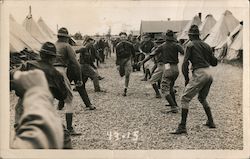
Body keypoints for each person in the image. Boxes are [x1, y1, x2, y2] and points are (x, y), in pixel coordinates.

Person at [171, 25, 218, 134]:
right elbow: (214, 63)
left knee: (185, 98)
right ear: (199, 35)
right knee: (202, 98)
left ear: (190, 35)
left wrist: (187, 78)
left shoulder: (190, 45)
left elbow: (185, 63)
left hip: (200, 72)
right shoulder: (206, 45)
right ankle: (211, 121)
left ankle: (182, 126)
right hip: (209, 72)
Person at [11, 69, 64, 149]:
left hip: (24, 99)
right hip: (33, 99)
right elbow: (39, 140)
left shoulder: (28, 65)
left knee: (19, 114)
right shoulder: (53, 72)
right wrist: (37, 91)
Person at [139, 30, 184, 113]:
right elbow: (183, 52)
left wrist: (142, 61)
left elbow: (152, 55)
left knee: (164, 88)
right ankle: (174, 104)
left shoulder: (162, 46)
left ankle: (174, 107)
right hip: (176, 68)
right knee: (170, 87)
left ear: (166, 37)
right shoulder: (176, 45)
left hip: (167, 66)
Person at [53, 27, 82, 135]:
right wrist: (79, 79)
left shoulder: (53, 45)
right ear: (67, 38)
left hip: (48, 72)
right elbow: (76, 64)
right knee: (69, 100)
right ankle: (69, 128)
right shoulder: (67, 46)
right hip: (60, 71)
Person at [116, 32, 135, 96]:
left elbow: (134, 54)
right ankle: (124, 81)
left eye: (124, 37)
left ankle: (125, 89)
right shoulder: (118, 45)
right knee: (121, 74)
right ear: (120, 38)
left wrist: (132, 61)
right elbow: (117, 56)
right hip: (121, 61)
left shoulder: (130, 45)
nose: (123, 38)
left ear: (126, 38)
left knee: (127, 75)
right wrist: (117, 64)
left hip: (128, 60)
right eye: (122, 37)